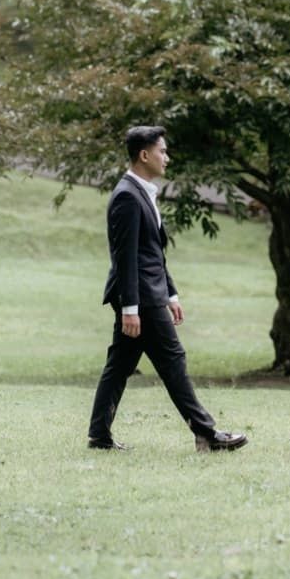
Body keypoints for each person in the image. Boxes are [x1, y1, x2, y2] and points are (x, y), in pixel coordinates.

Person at [87, 126, 249, 453]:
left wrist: (171, 294)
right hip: (140, 298)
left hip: (150, 293)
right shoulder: (127, 196)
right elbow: (126, 258)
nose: (167, 157)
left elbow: (153, 253)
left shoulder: (142, 191)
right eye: (162, 151)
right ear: (144, 155)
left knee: (119, 365)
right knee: (173, 360)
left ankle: (99, 435)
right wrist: (130, 308)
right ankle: (206, 433)